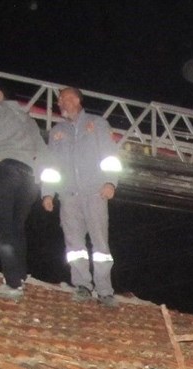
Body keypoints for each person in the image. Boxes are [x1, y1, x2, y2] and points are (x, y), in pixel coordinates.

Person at [40, 87, 123, 307]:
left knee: (100, 245)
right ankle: (83, 286)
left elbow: (110, 155)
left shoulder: (97, 124)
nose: (60, 103)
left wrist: (110, 181)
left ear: (77, 99)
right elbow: (50, 165)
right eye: (58, 101)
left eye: (64, 99)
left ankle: (105, 291)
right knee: (74, 245)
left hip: (95, 192)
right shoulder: (57, 131)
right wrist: (47, 192)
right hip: (69, 195)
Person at [0, 84, 47, 301]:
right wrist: (38, 176)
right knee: (16, 229)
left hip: (3, 170)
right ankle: (17, 278)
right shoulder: (29, 120)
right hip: (27, 178)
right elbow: (42, 150)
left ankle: (13, 284)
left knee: (0, 227)